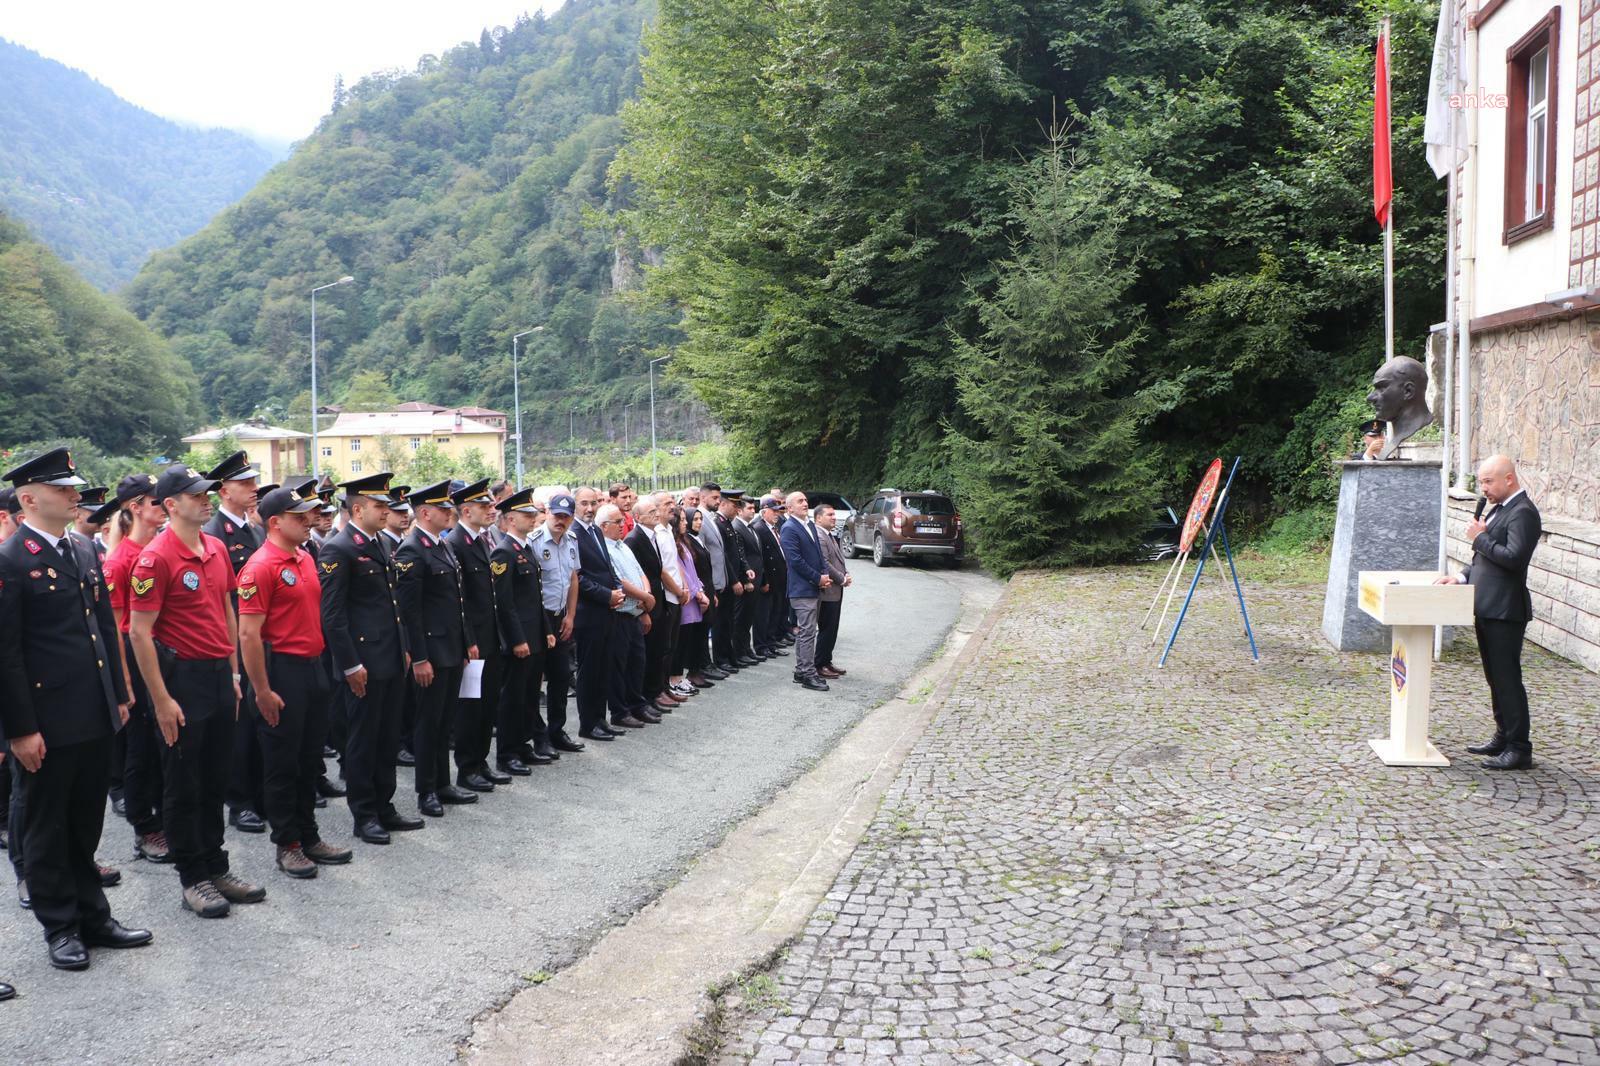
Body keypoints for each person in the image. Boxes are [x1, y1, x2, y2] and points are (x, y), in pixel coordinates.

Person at [0, 448, 151, 971]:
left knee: (86, 822)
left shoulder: (83, 551)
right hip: (45, 719)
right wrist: (20, 729)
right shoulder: (11, 559)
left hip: (92, 709)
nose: (74, 495)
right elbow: (7, 652)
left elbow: (102, 629)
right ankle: (60, 925)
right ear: (28, 498)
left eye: (72, 487)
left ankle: (94, 915)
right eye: (62, 488)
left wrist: (120, 695)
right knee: (46, 826)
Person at [128, 463, 266, 919]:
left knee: (214, 777)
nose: (205, 499)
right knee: (182, 781)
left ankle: (215, 864)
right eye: (195, 495)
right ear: (171, 505)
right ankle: (193, 877)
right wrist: (161, 699)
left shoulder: (215, 547)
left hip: (216, 677)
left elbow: (226, 608)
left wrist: (232, 670)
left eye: (207, 492)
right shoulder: (155, 557)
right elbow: (139, 634)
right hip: (180, 680)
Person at [237, 486, 353, 878]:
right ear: (275, 522)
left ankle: (308, 835)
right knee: (281, 763)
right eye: (298, 517)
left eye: (308, 516)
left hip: (312, 667)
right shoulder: (260, 566)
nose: (307, 522)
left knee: (308, 759)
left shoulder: (303, 557)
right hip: (280, 669)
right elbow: (249, 635)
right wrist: (262, 689)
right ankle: (287, 843)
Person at [318, 473, 420, 846]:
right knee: (362, 740)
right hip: (362, 663)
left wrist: (404, 648)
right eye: (379, 506)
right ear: (357, 508)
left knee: (387, 736)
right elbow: (333, 616)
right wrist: (349, 665)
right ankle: (365, 814)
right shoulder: (339, 548)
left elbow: (392, 607)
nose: (386, 511)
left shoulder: (377, 543)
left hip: (390, 658)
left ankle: (384, 804)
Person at [1435, 455, 1542, 770]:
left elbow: (1514, 559)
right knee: (1494, 678)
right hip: (1487, 606)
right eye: (1481, 482)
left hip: (1506, 610)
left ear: (1509, 479)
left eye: (1488, 481)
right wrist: (1461, 576)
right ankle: (1503, 735)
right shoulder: (1501, 509)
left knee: (1508, 679)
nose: (1483, 489)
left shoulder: (1523, 513)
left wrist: (1480, 538)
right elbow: (1485, 560)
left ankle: (1520, 747)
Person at [98, 474, 171, 863]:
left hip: (165, 654)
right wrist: (125, 679)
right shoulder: (120, 560)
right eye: (156, 502)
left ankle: (165, 816)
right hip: (135, 654)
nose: (162, 507)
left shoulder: (162, 550)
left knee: (166, 743)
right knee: (141, 747)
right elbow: (114, 629)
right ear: (134, 508)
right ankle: (145, 827)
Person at [396, 480, 480, 818]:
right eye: (444, 510)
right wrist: (419, 657)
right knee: (428, 723)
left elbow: (458, 603)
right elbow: (409, 612)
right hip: (430, 651)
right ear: (424, 512)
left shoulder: (442, 546)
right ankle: (426, 790)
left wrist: (466, 641)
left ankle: (443, 783)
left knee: (445, 722)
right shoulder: (411, 550)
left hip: (450, 648)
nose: (450, 514)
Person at [203, 450, 270, 837]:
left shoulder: (256, 530)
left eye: (253, 482)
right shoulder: (213, 534)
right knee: (240, 724)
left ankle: (259, 794)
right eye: (245, 484)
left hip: (259, 636)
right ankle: (239, 801)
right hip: (233, 639)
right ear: (223, 490)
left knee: (260, 719)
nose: (253, 489)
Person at [445, 479, 509, 794]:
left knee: (487, 705)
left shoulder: (482, 540)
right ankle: (467, 768)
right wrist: (469, 640)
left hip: (490, 636)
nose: (491, 510)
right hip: (473, 642)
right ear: (466, 510)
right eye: (484, 506)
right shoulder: (455, 543)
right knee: (471, 707)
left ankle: (482, 762)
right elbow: (460, 600)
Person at [491, 489, 558, 774]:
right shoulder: (503, 552)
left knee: (530, 695)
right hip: (520, 640)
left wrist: (546, 630)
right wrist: (517, 640)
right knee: (513, 698)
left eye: (533, 514)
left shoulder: (525, 548)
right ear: (508, 519)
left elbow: (535, 597)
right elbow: (504, 604)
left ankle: (522, 744)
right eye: (526, 515)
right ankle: (507, 753)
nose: (533, 519)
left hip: (535, 636)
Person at [529, 493, 586, 756]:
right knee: (533, 681)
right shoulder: (534, 542)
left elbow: (573, 579)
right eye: (556, 515)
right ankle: (538, 736)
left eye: (566, 517)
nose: (560, 521)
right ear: (547, 513)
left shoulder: (571, 541)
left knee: (561, 676)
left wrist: (571, 615)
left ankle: (556, 730)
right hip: (540, 619)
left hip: (561, 617)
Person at [571, 488, 625, 742]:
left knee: (604, 668)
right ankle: (587, 723)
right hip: (588, 611)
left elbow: (607, 566)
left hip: (607, 609)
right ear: (575, 505)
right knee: (589, 670)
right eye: (584, 503)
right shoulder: (573, 532)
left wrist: (617, 589)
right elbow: (577, 577)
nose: (590, 508)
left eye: (593, 503)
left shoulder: (594, 531)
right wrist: (607, 595)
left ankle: (600, 719)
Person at [599, 503, 656, 729]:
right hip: (620, 615)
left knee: (637, 662)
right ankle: (620, 711)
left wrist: (646, 597)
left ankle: (636, 704)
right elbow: (618, 581)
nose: (623, 525)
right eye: (618, 522)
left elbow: (640, 573)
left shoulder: (623, 546)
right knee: (619, 665)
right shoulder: (605, 549)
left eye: (623, 521)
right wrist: (645, 596)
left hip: (636, 611)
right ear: (604, 526)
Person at [779, 492, 830, 691]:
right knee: (808, 632)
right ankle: (808, 674)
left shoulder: (808, 525)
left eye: (805, 500)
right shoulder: (789, 528)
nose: (805, 503)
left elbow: (818, 553)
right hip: (801, 589)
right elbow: (795, 560)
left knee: (807, 631)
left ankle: (801, 670)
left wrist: (824, 574)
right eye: (800, 501)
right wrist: (817, 578)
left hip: (814, 586)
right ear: (789, 508)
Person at [675, 507, 716, 689]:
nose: (698, 522)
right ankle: (688, 673)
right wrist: (698, 593)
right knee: (690, 638)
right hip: (692, 596)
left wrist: (708, 592)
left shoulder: (690, 540)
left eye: (700, 519)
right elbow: (685, 572)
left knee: (699, 635)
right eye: (694, 519)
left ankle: (696, 670)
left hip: (702, 591)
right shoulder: (682, 542)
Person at [814, 503, 851, 679]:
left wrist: (846, 573)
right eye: (829, 515)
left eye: (834, 515)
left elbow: (838, 559)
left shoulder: (829, 534)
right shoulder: (820, 536)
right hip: (828, 591)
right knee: (826, 628)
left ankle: (827, 660)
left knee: (832, 628)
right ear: (818, 518)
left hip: (836, 589)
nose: (834, 517)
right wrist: (841, 578)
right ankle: (820, 664)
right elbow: (825, 563)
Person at [753, 497, 790, 659]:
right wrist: (764, 581)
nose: (777, 514)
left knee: (776, 611)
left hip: (779, 578)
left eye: (778, 511)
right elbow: (759, 558)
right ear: (764, 511)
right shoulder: (759, 528)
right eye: (773, 511)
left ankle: (771, 642)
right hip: (768, 578)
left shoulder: (774, 527)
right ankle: (762, 646)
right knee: (764, 615)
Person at [732, 496, 765, 665]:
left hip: (756, 578)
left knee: (749, 617)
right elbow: (740, 556)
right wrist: (745, 579)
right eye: (749, 508)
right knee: (741, 617)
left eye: (754, 508)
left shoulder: (750, 527)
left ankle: (746, 649)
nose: (753, 511)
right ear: (739, 510)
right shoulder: (737, 528)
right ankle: (739, 651)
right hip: (747, 581)